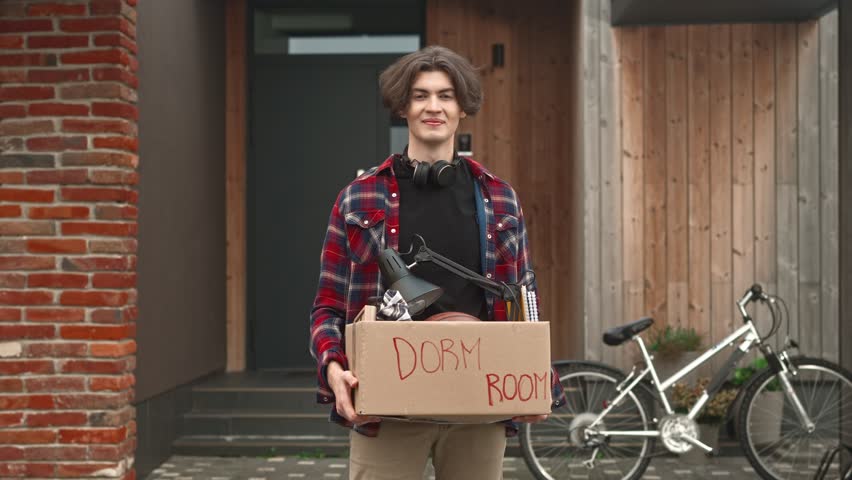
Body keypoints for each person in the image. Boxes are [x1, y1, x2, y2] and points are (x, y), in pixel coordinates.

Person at [309, 45, 565, 480]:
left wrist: (538, 379)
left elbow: (524, 299)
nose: (434, 106)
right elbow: (327, 307)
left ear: (462, 107)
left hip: (478, 406)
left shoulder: (500, 198)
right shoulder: (359, 198)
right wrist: (334, 369)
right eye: (421, 95)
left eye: (446, 96)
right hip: (386, 408)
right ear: (402, 107)